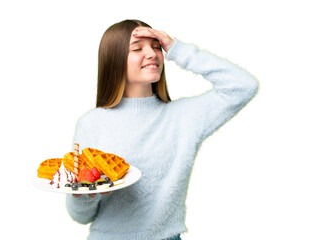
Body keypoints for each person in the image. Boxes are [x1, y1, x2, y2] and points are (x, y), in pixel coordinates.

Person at [66, 19, 258, 240]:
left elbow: (243, 86)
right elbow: (80, 216)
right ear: (114, 60)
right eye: (137, 48)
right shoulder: (92, 123)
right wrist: (85, 196)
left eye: (156, 46)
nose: (151, 54)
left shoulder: (184, 117)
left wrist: (178, 50)